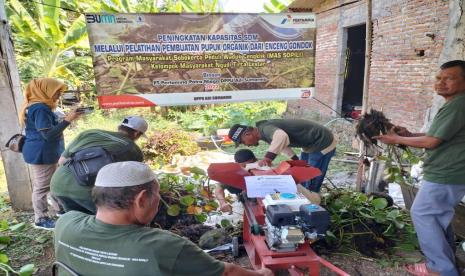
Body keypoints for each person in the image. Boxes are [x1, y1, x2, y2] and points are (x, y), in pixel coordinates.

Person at [54, 161, 272, 276]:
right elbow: (226, 272)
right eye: (157, 196)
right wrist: (261, 274)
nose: (158, 202)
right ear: (141, 199)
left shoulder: (65, 223)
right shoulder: (162, 246)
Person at [374, 60, 465, 276]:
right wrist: (408, 135)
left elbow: (432, 142)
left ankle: (441, 269)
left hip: (447, 171)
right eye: (438, 78)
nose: (441, 83)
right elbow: (438, 137)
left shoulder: (459, 104)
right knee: (437, 216)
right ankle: (447, 263)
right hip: (449, 170)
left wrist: (395, 139)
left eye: (449, 78)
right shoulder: (454, 104)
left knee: (423, 213)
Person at [51, 116, 147, 215]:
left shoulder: (90, 133)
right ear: (136, 133)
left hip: (58, 184)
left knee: (75, 221)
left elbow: (62, 161)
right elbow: (129, 182)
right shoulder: (133, 150)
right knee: (108, 222)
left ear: (119, 127)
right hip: (87, 192)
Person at [20, 78, 82, 230]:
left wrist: (65, 119)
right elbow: (48, 135)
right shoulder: (40, 108)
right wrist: (67, 120)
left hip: (46, 152)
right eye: (56, 92)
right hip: (41, 153)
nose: (58, 96)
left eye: (60, 92)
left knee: (54, 182)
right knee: (42, 187)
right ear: (45, 90)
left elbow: (48, 128)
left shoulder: (40, 107)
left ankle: (60, 209)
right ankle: (40, 218)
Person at [228, 119, 336, 192]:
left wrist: (268, 158)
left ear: (247, 134)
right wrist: (295, 159)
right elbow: (282, 144)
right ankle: (305, 195)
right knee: (303, 172)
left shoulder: (265, 128)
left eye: (243, 142)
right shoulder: (263, 133)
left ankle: (313, 203)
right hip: (309, 144)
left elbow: (281, 136)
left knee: (312, 176)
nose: (246, 145)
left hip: (322, 141)